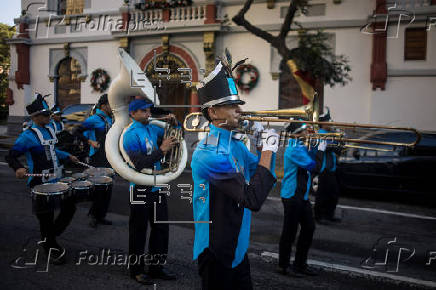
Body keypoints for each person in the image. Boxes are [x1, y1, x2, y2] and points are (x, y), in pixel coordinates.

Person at [191, 59, 279, 289]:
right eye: (231, 105)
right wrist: (268, 149)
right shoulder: (208, 152)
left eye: (237, 103)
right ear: (212, 111)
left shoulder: (234, 142)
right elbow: (252, 198)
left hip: (237, 243)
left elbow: (258, 172)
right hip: (217, 248)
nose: (239, 109)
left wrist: (262, 146)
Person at [5, 93, 79, 264]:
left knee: (70, 207)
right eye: (45, 115)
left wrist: (67, 156)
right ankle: (51, 247)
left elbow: (52, 151)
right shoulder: (28, 136)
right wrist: (19, 168)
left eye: (48, 114)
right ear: (35, 117)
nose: (49, 117)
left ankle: (49, 236)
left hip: (56, 177)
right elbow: (11, 156)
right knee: (46, 217)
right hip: (40, 181)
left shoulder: (50, 128)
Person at [121, 99, 178, 285]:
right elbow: (139, 164)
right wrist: (162, 150)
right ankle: (136, 270)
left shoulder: (153, 128)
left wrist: (173, 124)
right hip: (139, 187)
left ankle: (156, 267)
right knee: (138, 230)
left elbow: (175, 136)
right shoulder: (129, 134)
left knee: (161, 229)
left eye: (148, 111)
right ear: (133, 114)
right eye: (143, 111)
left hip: (157, 185)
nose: (148, 114)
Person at [278, 122, 326, 277]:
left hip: (301, 196)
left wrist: (316, 147)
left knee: (309, 228)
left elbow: (314, 163)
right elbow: (315, 167)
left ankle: (300, 264)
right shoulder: (294, 148)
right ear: (298, 132)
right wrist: (320, 149)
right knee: (289, 232)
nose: (308, 132)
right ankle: (284, 266)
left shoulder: (300, 146)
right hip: (292, 195)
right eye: (305, 130)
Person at [74, 94, 113, 227]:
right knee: (100, 188)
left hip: (109, 157)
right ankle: (94, 217)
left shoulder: (110, 119)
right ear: (103, 105)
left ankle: (101, 216)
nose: (112, 106)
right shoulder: (94, 119)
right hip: (97, 157)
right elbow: (76, 131)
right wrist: (90, 141)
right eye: (110, 104)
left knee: (108, 188)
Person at [314, 108, 342, 224]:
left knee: (333, 193)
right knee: (322, 193)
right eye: (329, 121)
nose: (331, 123)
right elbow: (327, 148)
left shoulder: (330, 134)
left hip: (332, 167)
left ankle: (329, 214)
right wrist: (337, 143)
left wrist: (340, 141)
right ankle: (318, 216)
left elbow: (338, 149)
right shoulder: (320, 134)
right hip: (324, 168)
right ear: (323, 123)